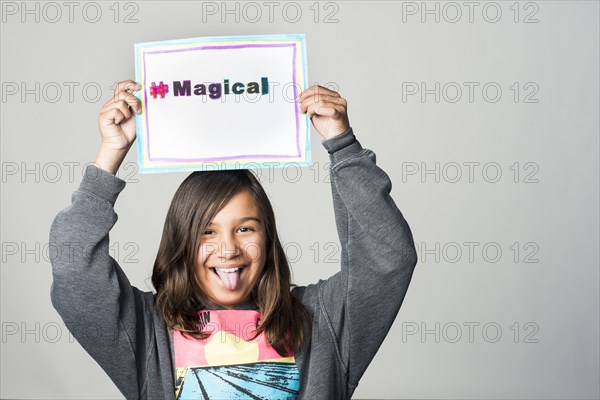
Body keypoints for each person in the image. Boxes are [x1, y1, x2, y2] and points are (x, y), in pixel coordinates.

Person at [49, 79, 418, 400]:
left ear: (268, 237)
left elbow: (387, 258)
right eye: (207, 231)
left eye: (245, 228)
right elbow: (74, 269)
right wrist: (110, 156)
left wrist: (343, 147)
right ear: (181, 243)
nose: (228, 249)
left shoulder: (323, 321)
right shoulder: (148, 333)